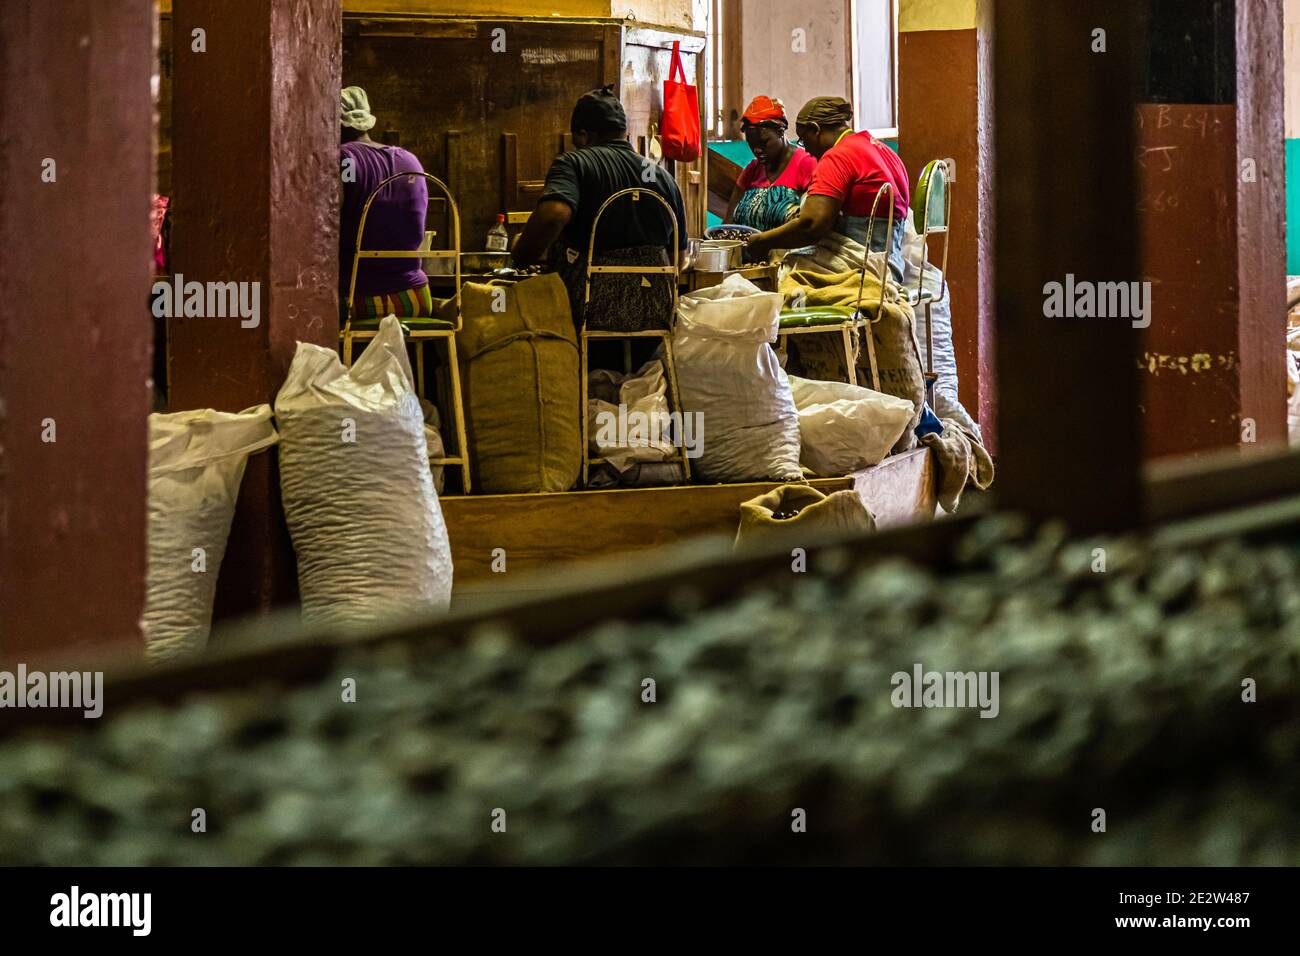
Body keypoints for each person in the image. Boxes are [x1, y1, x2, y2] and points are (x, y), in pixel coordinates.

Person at [513, 85, 688, 333]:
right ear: (624, 133)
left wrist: (522, 255)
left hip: (588, 310)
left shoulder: (573, 163)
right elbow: (677, 262)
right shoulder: (662, 176)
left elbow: (553, 216)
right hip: (655, 312)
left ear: (583, 135)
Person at [746, 95, 910, 282]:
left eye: (803, 139)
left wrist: (762, 241)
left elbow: (811, 225)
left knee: (785, 268)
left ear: (815, 130)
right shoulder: (882, 149)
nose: (805, 149)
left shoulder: (838, 156)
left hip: (860, 265)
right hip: (891, 263)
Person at [338, 86, 433, 319]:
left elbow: (327, 228)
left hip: (360, 299)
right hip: (416, 297)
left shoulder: (343, 159)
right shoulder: (410, 160)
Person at [723, 96, 817, 231]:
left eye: (764, 142)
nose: (757, 150)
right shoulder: (752, 170)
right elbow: (728, 223)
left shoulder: (807, 164)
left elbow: (812, 224)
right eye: (752, 144)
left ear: (780, 131)